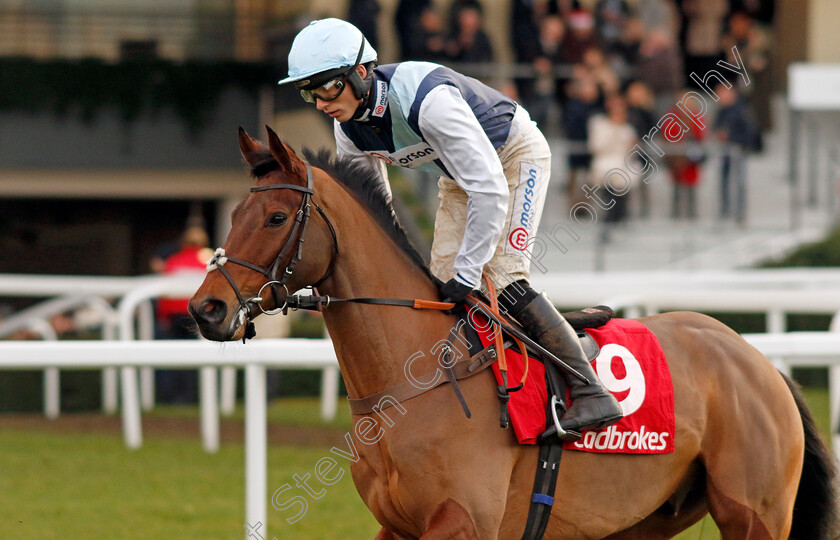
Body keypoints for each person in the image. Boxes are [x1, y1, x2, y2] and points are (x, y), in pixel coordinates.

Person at [278, 19, 621, 434]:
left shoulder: (430, 102)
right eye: (308, 91)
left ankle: (591, 391)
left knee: (504, 277)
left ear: (361, 72)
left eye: (328, 86)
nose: (319, 101)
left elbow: (491, 189)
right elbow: (375, 214)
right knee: (436, 290)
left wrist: (470, 269)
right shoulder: (347, 126)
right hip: (462, 177)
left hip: (514, 157)